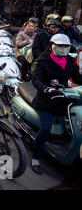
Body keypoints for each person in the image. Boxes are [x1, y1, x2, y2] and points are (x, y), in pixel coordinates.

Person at [30, 34, 82, 174]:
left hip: (63, 98)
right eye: (60, 46)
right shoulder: (43, 60)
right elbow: (36, 79)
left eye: (66, 46)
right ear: (52, 45)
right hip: (47, 100)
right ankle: (35, 158)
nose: (63, 49)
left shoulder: (70, 61)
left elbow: (77, 77)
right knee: (46, 129)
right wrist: (45, 88)